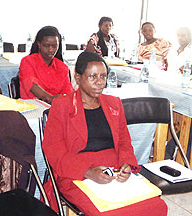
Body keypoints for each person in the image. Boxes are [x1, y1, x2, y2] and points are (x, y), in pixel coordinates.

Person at [42, 51, 167, 216]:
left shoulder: (113, 104)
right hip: (76, 172)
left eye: (103, 76)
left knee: (157, 206)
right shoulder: (61, 106)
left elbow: (123, 141)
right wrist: (87, 171)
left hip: (113, 169)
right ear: (78, 77)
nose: (99, 82)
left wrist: (127, 164)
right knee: (108, 213)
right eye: (92, 76)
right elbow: (54, 149)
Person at [19, 26, 74, 104]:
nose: (51, 50)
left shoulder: (63, 67)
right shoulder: (27, 61)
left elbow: (68, 93)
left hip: (56, 108)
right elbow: (31, 85)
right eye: (46, 46)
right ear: (39, 44)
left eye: (54, 46)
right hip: (32, 108)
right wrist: (50, 98)